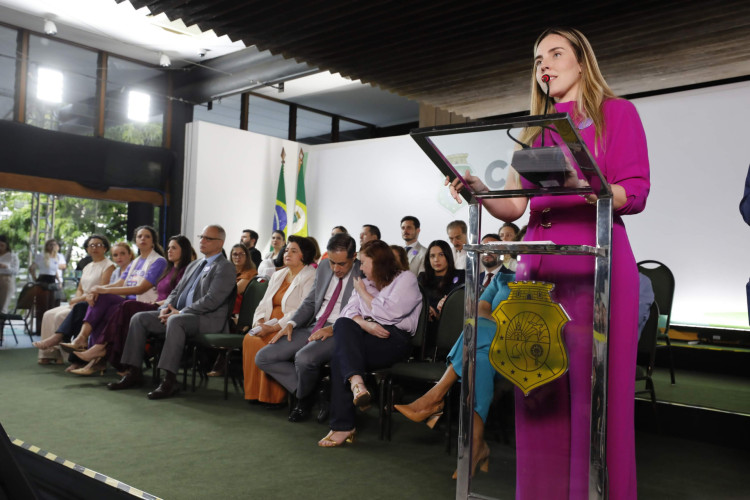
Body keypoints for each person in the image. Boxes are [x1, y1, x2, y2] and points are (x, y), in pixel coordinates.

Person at [445, 27, 649, 499]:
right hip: (540, 272)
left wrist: (590, 186)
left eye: (556, 54)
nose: (545, 65)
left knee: (596, 398)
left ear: (582, 62)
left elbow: (635, 191)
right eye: (538, 59)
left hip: (596, 266)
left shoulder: (617, 113)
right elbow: (515, 208)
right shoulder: (537, 128)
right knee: (539, 390)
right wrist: (478, 189)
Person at [395, 270, 516, 478]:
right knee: (478, 357)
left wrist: (496, 327)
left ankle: (435, 398)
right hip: (491, 344)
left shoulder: (547, 279)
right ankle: (478, 447)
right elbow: (480, 308)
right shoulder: (503, 277)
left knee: (477, 340)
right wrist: (494, 328)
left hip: (521, 347)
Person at [108, 225, 236, 399]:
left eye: (208, 238)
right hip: (181, 315)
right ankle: (134, 372)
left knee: (176, 321)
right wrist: (164, 308)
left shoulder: (225, 267)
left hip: (206, 319)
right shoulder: (194, 264)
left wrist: (180, 312)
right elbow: (175, 292)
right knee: (139, 318)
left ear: (220, 243)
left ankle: (169, 380)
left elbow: (212, 300)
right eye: (201, 236)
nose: (202, 241)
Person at [318, 240, 422, 447]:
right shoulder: (366, 280)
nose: (361, 268)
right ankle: (357, 384)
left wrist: (363, 295)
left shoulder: (405, 279)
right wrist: (365, 325)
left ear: (378, 262)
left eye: (364, 262)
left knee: (341, 356)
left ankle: (343, 424)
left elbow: (390, 314)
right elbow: (346, 314)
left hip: (394, 340)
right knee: (344, 327)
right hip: (366, 334)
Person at [256, 233, 360, 422]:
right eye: (332, 262)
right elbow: (310, 302)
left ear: (354, 257)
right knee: (264, 357)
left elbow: (365, 311)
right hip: (313, 324)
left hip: (340, 328)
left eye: (341, 264)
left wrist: (333, 327)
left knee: (303, 358)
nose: (336, 269)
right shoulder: (323, 267)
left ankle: (302, 402)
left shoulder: (364, 272)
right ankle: (314, 391)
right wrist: (291, 323)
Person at [69, 235, 195, 375]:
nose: (169, 251)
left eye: (174, 248)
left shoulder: (183, 270)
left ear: (184, 250)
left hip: (161, 308)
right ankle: (91, 346)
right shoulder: (168, 269)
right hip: (154, 305)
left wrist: (156, 303)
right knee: (109, 305)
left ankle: (101, 351)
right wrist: (98, 290)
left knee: (125, 306)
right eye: (169, 247)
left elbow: (176, 298)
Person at [59, 226, 167, 354]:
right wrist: (96, 289)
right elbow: (120, 283)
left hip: (144, 303)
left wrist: (103, 290)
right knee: (100, 302)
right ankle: (86, 346)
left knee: (103, 299)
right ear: (135, 241)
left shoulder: (158, 261)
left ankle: (85, 344)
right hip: (127, 302)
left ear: (153, 241)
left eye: (147, 236)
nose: (143, 238)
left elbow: (141, 289)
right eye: (140, 236)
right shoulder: (136, 261)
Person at [242, 235, 317, 406]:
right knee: (250, 338)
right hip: (269, 321)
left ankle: (274, 397)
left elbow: (302, 310)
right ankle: (255, 394)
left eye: (293, 251)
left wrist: (275, 326)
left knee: (266, 342)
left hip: (291, 325)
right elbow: (263, 303)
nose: (287, 253)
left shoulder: (310, 276)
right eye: (287, 249)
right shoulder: (279, 274)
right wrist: (260, 321)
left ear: (304, 255)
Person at [33, 235, 115, 364]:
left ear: (105, 248)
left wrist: (78, 300)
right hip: (81, 300)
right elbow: (80, 288)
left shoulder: (109, 266)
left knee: (60, 316)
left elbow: (101, 289)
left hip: (94, 302)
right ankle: (49, 354)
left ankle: (63, 353)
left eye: (98, 245)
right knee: (48, 314)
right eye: (91, 245)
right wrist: (77, 298)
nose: (94, 248)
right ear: (87, 249)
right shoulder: (88, 266)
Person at [206, 243, 258, 378]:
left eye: (242, 254)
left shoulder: (251, 272)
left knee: (224, 322)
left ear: (247, 256)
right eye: (235, 254)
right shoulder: (226, 271)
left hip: (239, 313)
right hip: (223, 309)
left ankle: (220, 364)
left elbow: (235, 290)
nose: (238, 257)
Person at [417, 240, 465, 347]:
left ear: (448, 256)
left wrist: (446, 308)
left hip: (450, 324)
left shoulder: (461, 275)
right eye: (432, 256)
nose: (436, 260)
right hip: (425, 323)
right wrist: (425, 309)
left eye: (441, 255)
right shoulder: (422, 277)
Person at [29, 238, 67, 334]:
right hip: (42, 281)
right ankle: (39, 329)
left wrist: (59, 282)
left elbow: (55, 272)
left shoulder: (56, 258)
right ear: (47, 246)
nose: (52, 246)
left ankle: (51, 330)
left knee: (52, 306)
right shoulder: (41, 256)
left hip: (52, 282)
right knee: (42, 307)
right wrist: (35, 279)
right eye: (50, 244)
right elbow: (32, 268)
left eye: (54, 245)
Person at [0, 235, 20, 314]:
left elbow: (15, 271)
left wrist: (6, 267)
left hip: (6, 280)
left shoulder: (12, 256)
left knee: (2, 307)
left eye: (2, 245)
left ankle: (1, 325)